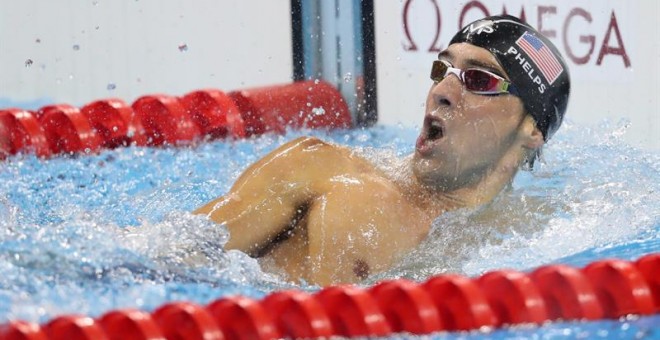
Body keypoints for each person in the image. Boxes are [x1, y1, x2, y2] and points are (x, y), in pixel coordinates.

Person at [194, 15, 570, 286]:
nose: (441, 92)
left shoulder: (539, 236)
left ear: (532, 128)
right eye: (443, 70)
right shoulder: (318, 172)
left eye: (477, 79)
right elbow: (168, 256)